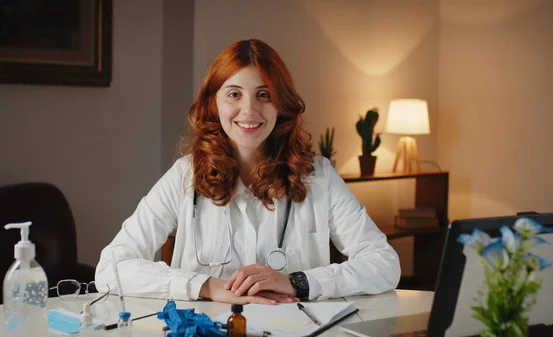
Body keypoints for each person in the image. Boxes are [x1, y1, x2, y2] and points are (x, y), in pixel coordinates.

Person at [95, 38, 400, 304]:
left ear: (281, 104)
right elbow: (111, 268)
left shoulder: (318, 176)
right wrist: (205, 286)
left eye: (264, 95)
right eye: (234, 94)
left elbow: (385, 264)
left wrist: (297, 282)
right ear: (214, 102)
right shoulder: (184, 176)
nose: (249, 110)